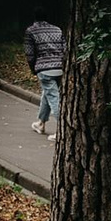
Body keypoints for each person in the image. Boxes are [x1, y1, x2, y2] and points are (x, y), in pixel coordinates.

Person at [24, 11, 66, 139]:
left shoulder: (31, 31)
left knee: (54, 99)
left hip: (44, 69)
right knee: (47, 94)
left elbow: (30, 54)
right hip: (59, 68)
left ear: (34, 17)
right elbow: (65, 48)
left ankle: (62, 131)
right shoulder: (57, 29)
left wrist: (33, 69)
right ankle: (41, 123)